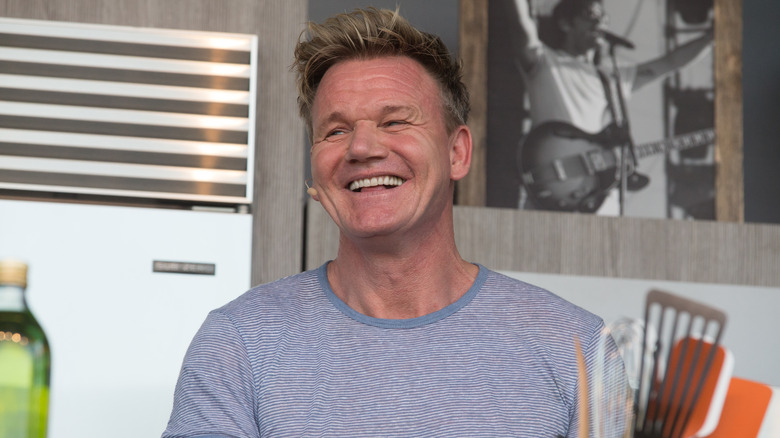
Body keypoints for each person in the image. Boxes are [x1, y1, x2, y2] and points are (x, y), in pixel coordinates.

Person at [162, 7, 628, 438]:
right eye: (336, 130)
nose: (361, 148)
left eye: (395, 122)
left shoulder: (578, 350)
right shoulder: (239, 343)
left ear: (456, 152)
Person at [510, 0, 713, 214]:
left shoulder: (614, 77)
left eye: (603, 18)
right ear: (565, 24)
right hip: (553, 189)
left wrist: (712, 38)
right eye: (591, 15)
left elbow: (670, 63)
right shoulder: (544, 61)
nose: (600, 22)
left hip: (601, 203)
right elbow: (520, 23)